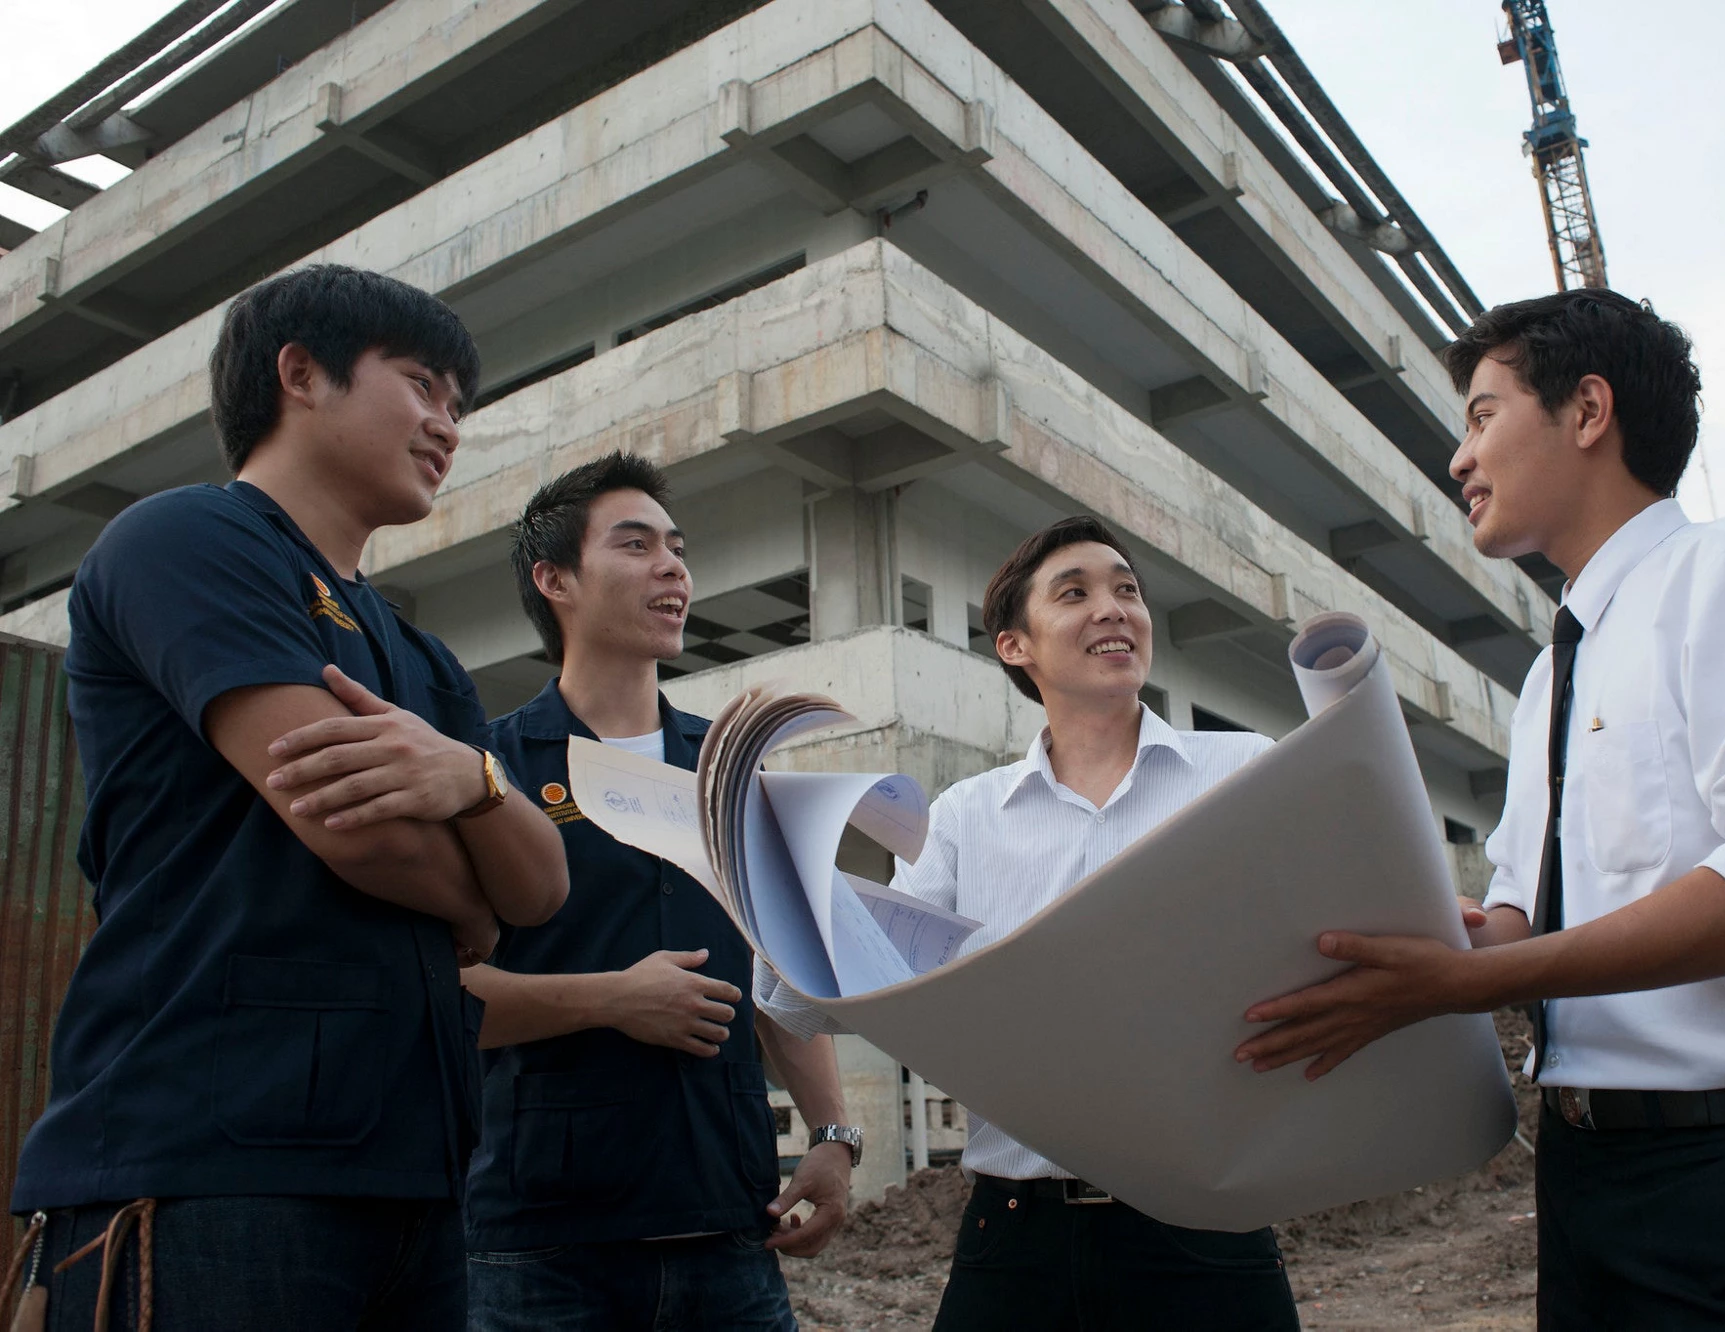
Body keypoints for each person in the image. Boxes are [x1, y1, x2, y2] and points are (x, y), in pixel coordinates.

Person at [1235, 290, 1725, 1327]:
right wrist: (1444, 939)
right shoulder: (1554, 675)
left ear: (1587, 410)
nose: (1458, 461)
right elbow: (1524, 908)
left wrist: (1478, 979)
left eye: (1479, 416)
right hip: (1591, 1180)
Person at [7, 264, 570, 1331]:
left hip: (414, 1172)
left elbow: (541, 893)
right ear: (301, 373)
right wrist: (470, 895)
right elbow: (351, 826)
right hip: (211, 1161)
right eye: (421, 384)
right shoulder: (186, 541)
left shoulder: (423, 656)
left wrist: (473, 778)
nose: (447, 423)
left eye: (460, 403)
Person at [767, 515, 1303, 1330]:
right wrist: (781, 901)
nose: (1114, 609)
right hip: (1018, 1237)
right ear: (1016, 646)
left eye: (1128, 590)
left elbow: (1323, 929)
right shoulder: (964, 818)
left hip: (1207, 1232)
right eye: (1076, 593)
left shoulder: (1242, 773)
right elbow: (855, 988)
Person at [461, 453, 857, 1331]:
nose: (673, 567)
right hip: (541, 1250)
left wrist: (832, 1134)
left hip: (729, 1231)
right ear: (554, 578)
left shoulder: (727, 766)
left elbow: (779, 970)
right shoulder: (491, 769)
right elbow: (444, 995)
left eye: (677, 548)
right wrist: (612, 1000)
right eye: (635, 545)